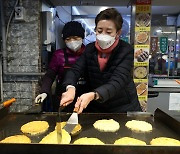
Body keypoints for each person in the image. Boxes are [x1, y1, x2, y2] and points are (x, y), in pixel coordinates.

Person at [60, 8, 142, 114]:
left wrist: (94, 94)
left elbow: (117, 81)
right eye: (99, 31)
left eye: (108, 32)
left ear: (118, 32)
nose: (103, 35)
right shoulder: (89, 49)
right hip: (98, 107)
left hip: (123, 107)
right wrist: (70, 87)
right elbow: (75, 70)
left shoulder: (126, 50)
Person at [35, 21, 86, 111]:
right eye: (68, 39)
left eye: (75, 38)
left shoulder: (88, 53)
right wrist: (44, 91)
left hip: (85, 100)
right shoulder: (59, 55)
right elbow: (50, 75)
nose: (72, 41)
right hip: (63, 100)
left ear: (82, 37)